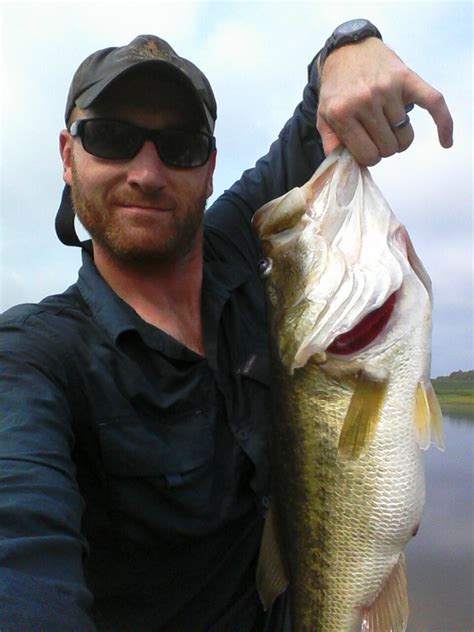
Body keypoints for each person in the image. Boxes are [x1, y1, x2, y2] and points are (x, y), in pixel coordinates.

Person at [0, 22, 452, 632]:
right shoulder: (31, 361)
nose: (148, 172)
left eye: (180, 145)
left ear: (209, 166)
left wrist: (351, 47)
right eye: (111, 138)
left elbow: (316, 111)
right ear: (66, 155)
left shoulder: (243, 248)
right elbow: (21, 554)